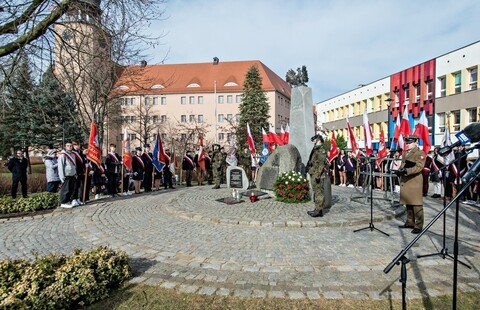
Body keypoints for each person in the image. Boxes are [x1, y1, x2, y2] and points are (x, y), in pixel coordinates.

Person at [396, 135, 426, 234]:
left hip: (414, 182)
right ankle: (410, 222)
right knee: (408, 203)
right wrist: (400, 170)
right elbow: (403, 165)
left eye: (409, 143)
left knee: (416, 204)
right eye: (407, 143)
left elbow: (419, 167)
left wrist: (406, 170)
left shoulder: (420, 153)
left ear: (415, 143)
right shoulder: (405, 153)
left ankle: (418, 225)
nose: (407, 145)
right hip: (406, 181)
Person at [306, 134, 329, 217]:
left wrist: (318, 175)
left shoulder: (321, 150)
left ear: (318, 140)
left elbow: (322, 164)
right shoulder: (316, 149)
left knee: (319, 192)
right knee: (316, 192)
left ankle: (319, 210)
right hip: (314, 172)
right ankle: (317, 209)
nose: (313, 140)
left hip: (317, 174)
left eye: (315, 139)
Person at [58, 142, 77, 208]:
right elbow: (61, 166)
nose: (69, 147)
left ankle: (68, 201)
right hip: (66, 175)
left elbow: (74, 165)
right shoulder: (63, 155)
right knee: (65, 189)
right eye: (68, 146)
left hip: (72, 174)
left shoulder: (73, 154)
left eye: (71, 146)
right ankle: (63, 202)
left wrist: (75, 173)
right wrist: (62, 176)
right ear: (65, 147)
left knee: (71, 189)